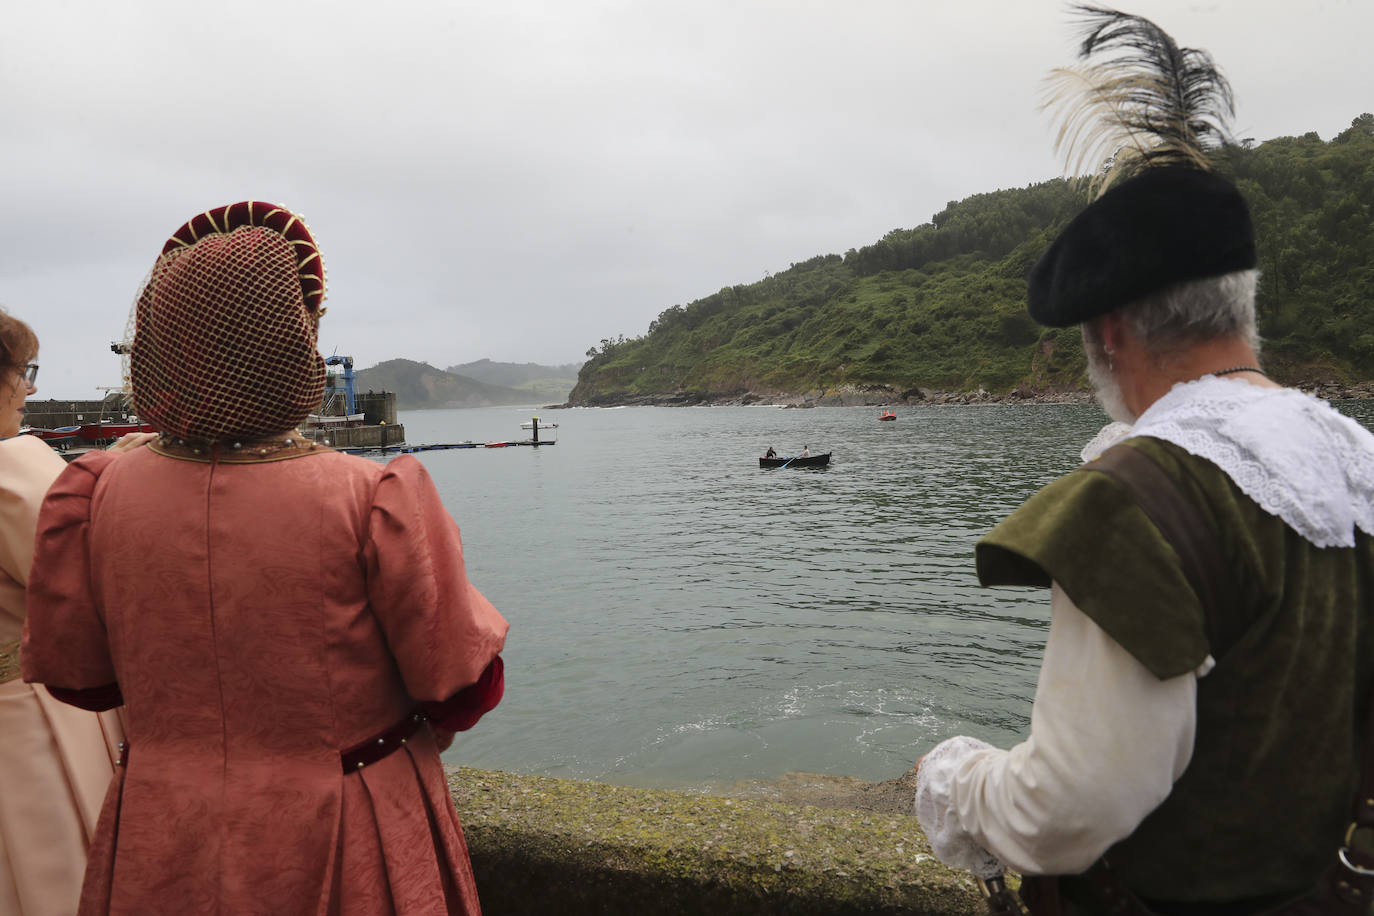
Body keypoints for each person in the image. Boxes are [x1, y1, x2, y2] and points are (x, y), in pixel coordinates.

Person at [913, 9, 1374, 914]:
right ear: (1241, 306)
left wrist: (953, 781)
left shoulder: (1134, 497)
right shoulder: (1356, 462)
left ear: (1109, 332)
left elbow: (1069, 809)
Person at [22, 202, 509, 915]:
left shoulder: (93, 492)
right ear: (293, 346)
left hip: (163, 834)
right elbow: (462, 685)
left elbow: (79, 680)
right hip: (343, 828)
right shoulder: (370, 496)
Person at [0, 308, 126, 916]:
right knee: (64, 874)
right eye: (24, 372)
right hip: (28, 713)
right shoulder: (15, 473)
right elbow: (90, 579)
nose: (30, 388)